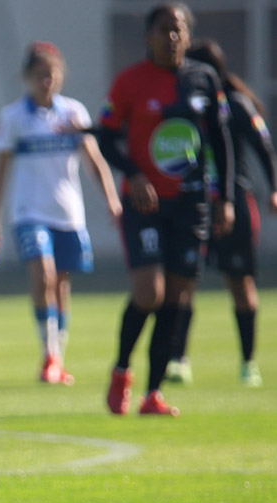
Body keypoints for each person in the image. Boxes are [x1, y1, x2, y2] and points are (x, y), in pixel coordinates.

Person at [97, 2, 233, 416]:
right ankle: (121, 371)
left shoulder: (204, 80)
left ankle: (152, 393)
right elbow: (105, 137)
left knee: (176, 296)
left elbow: (221, 141)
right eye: (162, 29)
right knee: (149, 291)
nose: (171, 37)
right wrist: (133, 175)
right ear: (148, 36)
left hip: (192, 206)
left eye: (178, 30)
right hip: (145, 204)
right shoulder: (129, 83)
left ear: (188, 36)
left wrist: (224, 198)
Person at [0, 42, 122, 385]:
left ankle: (57, 357)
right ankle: (48, 355)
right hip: (28, 212)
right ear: (27, 78)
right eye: (39, 75)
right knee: (43, 275)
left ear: (61, 76)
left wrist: (111, 199)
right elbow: (0, 170)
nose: (46, 81)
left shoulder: (73, 114)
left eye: (52, 74)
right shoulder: (14, 117)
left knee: (61, 284)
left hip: (67, 213)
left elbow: (94, 160)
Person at [164, 38, 277, 388]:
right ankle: (178, 358)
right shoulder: (185, 106)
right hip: (192, 202)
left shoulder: (238, 105)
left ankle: (248, 362)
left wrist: (273, 189)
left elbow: (264, 148)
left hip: (234, 202)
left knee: (240, 281)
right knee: (184, 283)